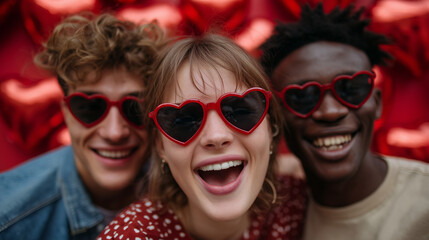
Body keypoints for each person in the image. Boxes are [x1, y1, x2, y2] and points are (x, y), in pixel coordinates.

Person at [97, 33, 307, 240]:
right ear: (160, 146)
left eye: (240, 111)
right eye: (184, 120)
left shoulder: (298, 201)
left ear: (271, 129)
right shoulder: (133, 235)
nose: (216, 136)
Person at [260, 4, 429, 240]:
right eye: (303, 96)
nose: (330, 112)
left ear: (377, 103)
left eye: (351, 89)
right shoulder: (271, 213)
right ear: (277, 118)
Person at [0, 13, 165, 239]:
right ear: (66, 113)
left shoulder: (188, 195)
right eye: (91, 108)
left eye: (134, 108)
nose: (114, 132)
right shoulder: (9, 219)